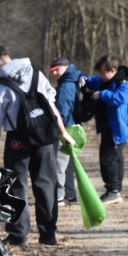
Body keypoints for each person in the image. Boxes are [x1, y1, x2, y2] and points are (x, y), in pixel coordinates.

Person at [0, 45, 74, 246]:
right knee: (47, 184)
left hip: (17, 140)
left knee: (15, 186)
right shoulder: (36, 74)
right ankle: (48, 233)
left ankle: (18, 234)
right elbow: (51, 103)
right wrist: (62, 131)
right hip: (45, 137)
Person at [80, 54, 128, 204]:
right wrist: (85, 78)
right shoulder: (106, 80)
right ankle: (116, 189)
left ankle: (113, 190)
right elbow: (95, 80)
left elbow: (119, 99)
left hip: (119, 128)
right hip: (110, 126)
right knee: (116, 157)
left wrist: (101, 94)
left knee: (108, 158)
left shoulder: (125, 83)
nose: (100, 76)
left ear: (113, 70)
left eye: (102, 73)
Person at [47, 57, 83, 206]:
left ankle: (59, 196)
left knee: (59, 163)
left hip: (66, 128)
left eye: (57, 69)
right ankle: (70, 195)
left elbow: (62, 111)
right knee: (67, 164)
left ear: (66, 67)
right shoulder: (71, 80)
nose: (55, 73)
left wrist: (58, 129)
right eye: (53, 71)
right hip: (72, 127)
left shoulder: (66, 85)